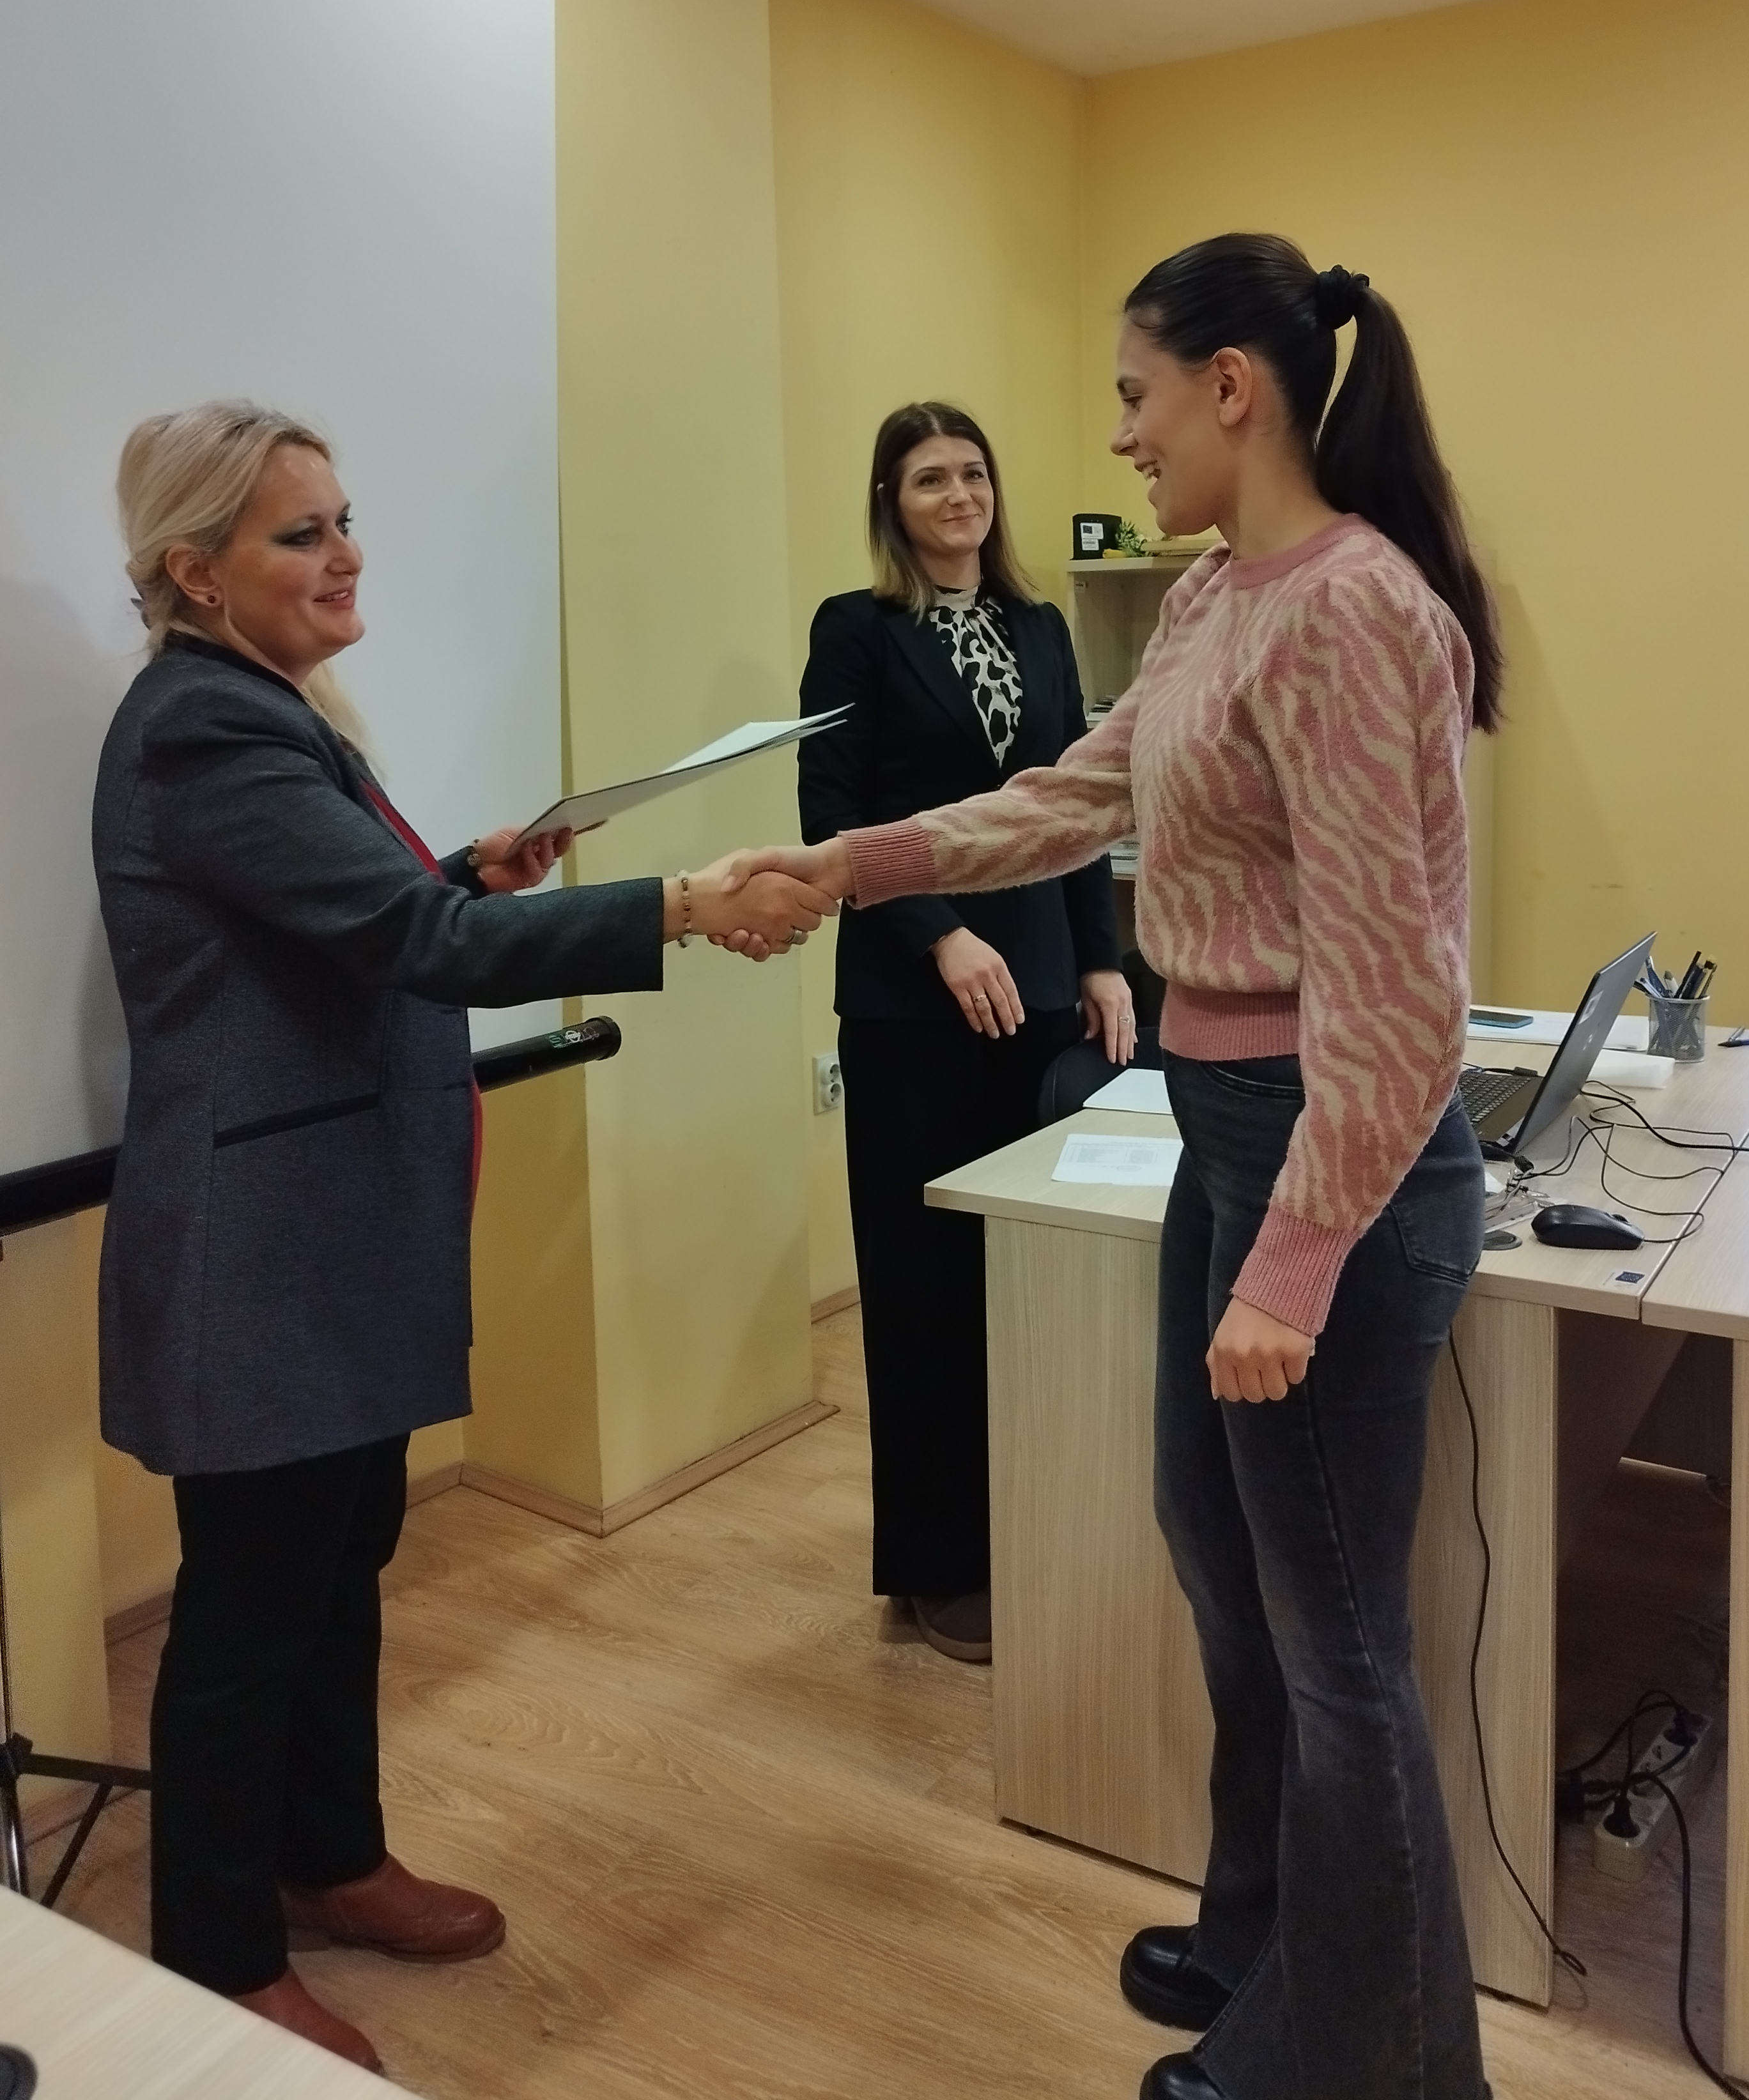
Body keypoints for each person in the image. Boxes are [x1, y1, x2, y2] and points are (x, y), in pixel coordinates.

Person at [731, 238, 1502, 2100]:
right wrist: (848, 867)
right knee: (1219, 1555)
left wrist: (1298, 1259)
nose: (1120, 437)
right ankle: (1262, 1936)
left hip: (1332, 1144)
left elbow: (1400, 991)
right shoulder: (1218, 595)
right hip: (1220, 1121)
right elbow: (1074, 796)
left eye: (1136, 397)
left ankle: (1376, 2059)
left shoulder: (1350, 608)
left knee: (1339, 1645)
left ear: (1233, 386)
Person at [94, 401, 829, 2074]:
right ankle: (216, 1955)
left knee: (342, 1563)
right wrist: (682, 904)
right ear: (194, 571)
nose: (346, 554)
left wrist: (478, 871)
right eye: (301, 532)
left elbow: (364, 921)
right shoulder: (204, 731)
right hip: (265, 1258)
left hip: (332, 1239)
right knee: (249, 1616)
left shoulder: (270, 712)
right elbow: (404, 939)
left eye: (345, 519)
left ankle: (330, 1856)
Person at [798, 402, 1132, 1665]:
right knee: (923, 1284)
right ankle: (936, 1567)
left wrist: (1100, 959)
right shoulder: (857, 630)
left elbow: (1076, 807)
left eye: (974, 473)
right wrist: (939, 933)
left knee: (1027, 1276)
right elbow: (831, 820)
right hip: (910, 1004)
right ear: (891, 501)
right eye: (931, 478)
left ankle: (1027, 1526)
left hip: (1037, 990)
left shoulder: (1039, 626)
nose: (959, 496)